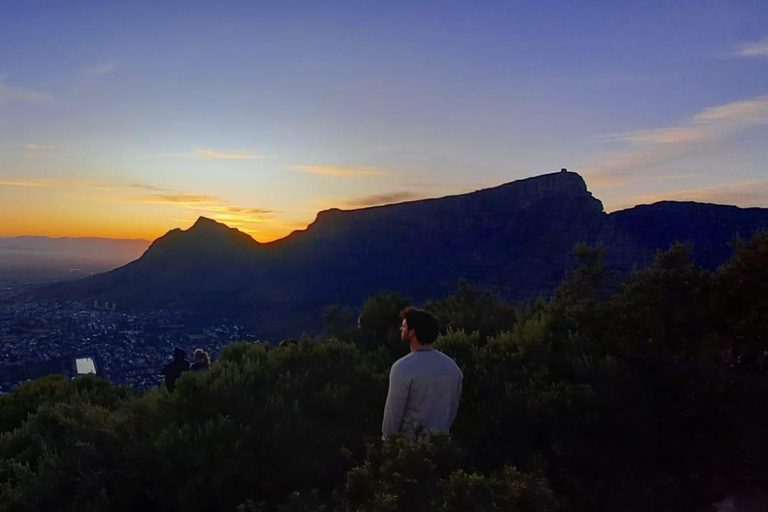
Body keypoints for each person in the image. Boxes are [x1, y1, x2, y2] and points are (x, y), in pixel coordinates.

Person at [382, 307, 463, 440]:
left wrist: (387, 441)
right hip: (441, 445)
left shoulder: (402, 368)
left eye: (404, 326)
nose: (401, 329)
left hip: (409, 446)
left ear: (412, 332)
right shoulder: (452, 368)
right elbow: (452, 409)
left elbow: (393, 413)